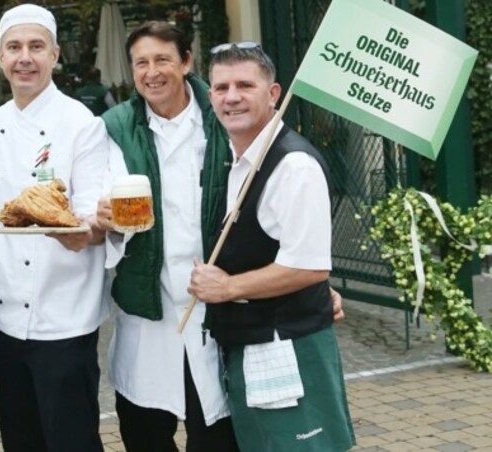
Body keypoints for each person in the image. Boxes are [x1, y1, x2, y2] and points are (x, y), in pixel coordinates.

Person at [188, 43, 356, 450]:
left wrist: (228, 288)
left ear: (274, 93)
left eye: (245, 85)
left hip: (287, 349)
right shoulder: (237, 157)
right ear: (209, 97)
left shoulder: (293, 165)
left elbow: (308, 268)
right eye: (222, 87)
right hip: (257, 345)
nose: (232, 97)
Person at [0, 4, 108, 452]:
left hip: (66, 321)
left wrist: (70, 227)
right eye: (15, 48)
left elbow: (91, 227)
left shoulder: (83, 124)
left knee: (73, 443)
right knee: (21, 443)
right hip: (4, 320)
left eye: (36, 47)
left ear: (55, 55)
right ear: (1, 57)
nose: (25, 57)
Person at [95, 21, 239, 452]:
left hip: (212, 305)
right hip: (148, 305)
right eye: (141, 63)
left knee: (215, 434)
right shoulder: (113, 126)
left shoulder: (223, 116)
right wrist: (104, 216)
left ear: (186, 62)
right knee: (144, 434)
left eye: (162, 59)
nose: (151, 72)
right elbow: (97, 195)